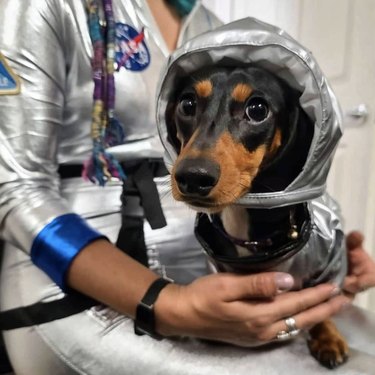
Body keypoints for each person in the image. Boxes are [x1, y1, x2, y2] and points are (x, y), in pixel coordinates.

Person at [0, 0, 373, 374]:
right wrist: (165, 303)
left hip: (206, 270)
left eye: (255, 111)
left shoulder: (207, 21)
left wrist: (320, 255)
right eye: (188, 104)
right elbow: (14, 189)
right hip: (73, 285)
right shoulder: (47, 5)